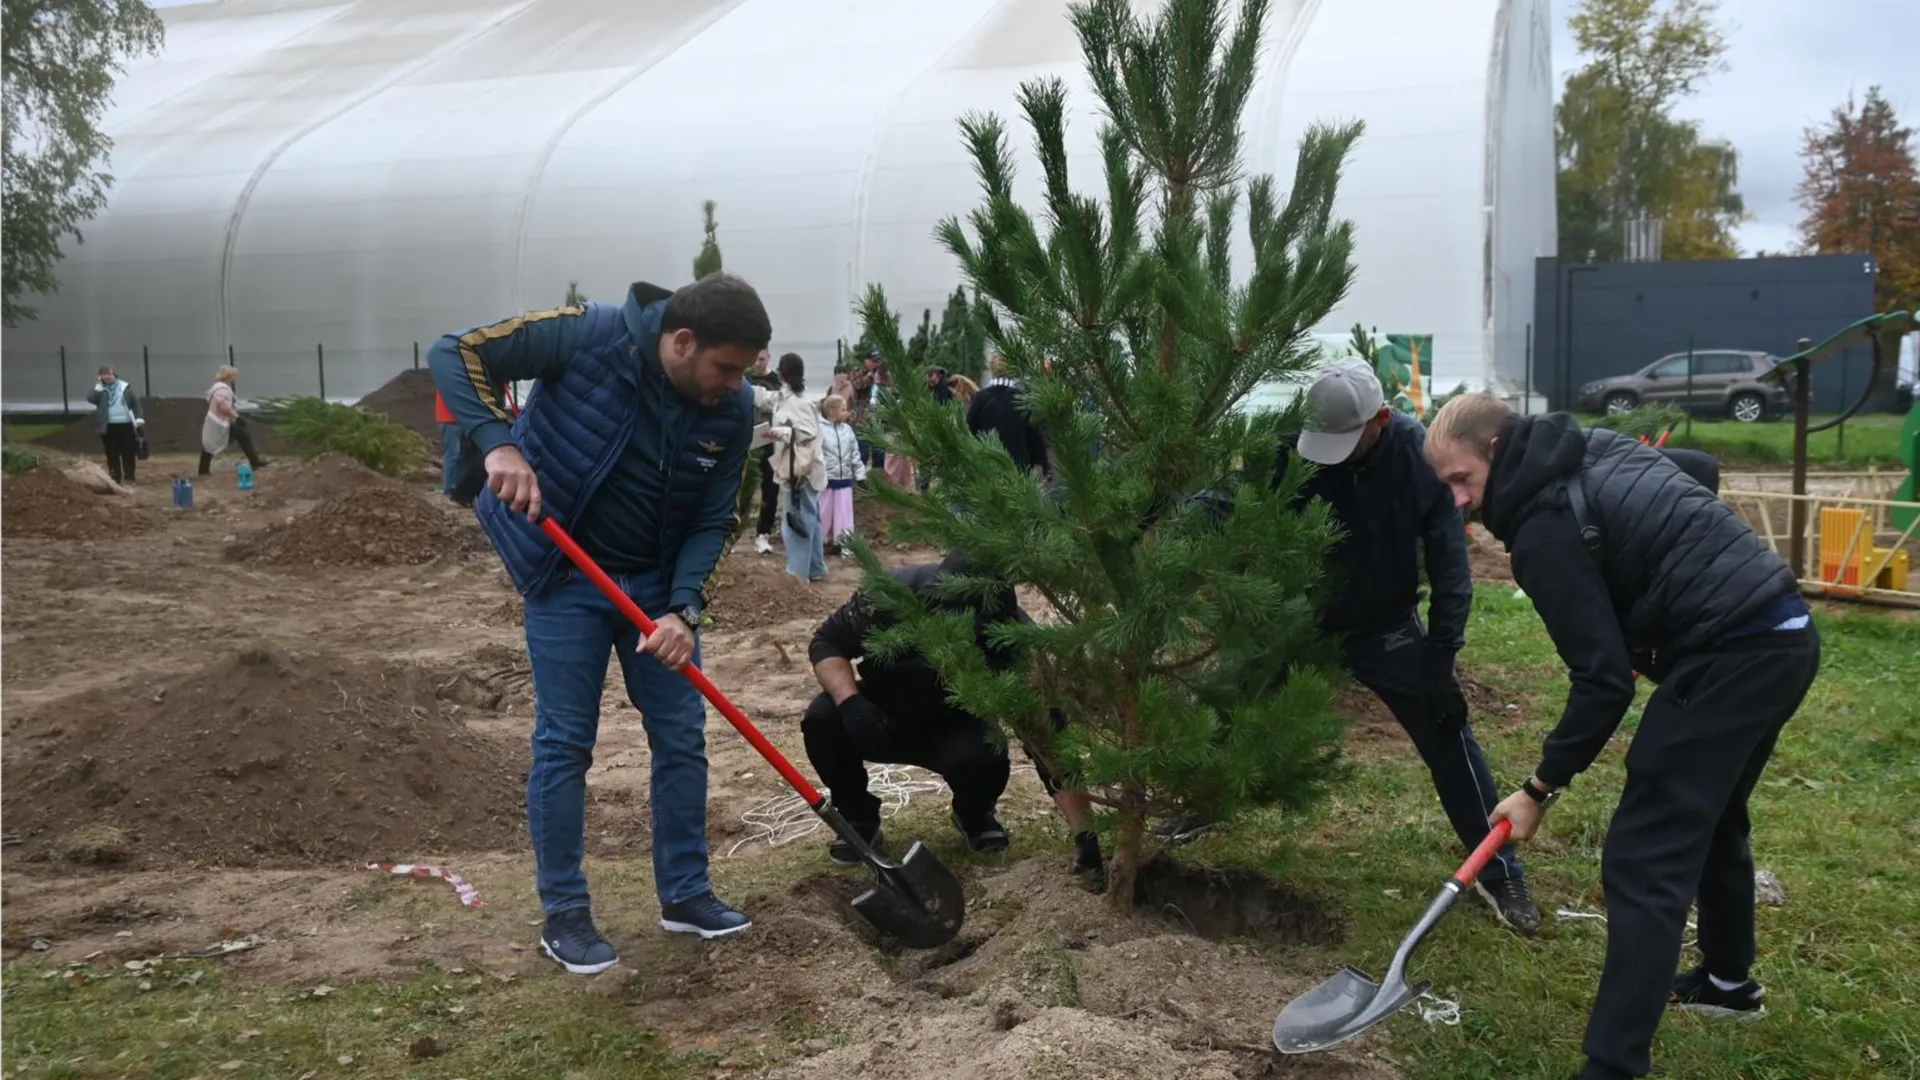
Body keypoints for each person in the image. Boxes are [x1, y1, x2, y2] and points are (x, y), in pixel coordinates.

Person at [1423, 395, 1821, 1080]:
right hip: (1786, 632)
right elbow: (1694, 468)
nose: (1457, 503)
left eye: (1461, 481)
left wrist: (1538, 788)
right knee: (1713, 814)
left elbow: (1603, 679)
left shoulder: (1542, 532)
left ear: (1494, 449)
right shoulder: (1588, 445)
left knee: (1644, 856)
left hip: (1731, 653)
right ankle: (1729, 984)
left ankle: (1612, 1066)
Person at [427, 275, 770, 976]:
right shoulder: (589, 334)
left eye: (743, 371)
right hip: (566, 573)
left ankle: (685, 893)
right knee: (566, 743)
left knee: (681, 737)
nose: (735, 385)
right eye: (725, 367)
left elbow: (713, 519)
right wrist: (497, 443)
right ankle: (566, 914)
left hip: (655, 588)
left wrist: (684, 609)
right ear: (681, 342)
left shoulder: (731, 413)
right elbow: (455, 351)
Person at [1264, 358, 1540, 934]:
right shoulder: (1290, 443)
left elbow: (1448, 562)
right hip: (1298, 619)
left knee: (1447, 736)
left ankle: (1498, 871)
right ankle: (1193, 805)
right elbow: (1247, 518)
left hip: (1383, 623)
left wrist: (1441, 659)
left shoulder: (1419, 456)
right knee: (1231, 702)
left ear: (1381, 420)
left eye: (1347, 438)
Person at [802, 551, 1103, 879]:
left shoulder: (1015, 642)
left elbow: (1049, 738)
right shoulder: (889, 599)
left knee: (987, 754)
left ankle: (973, 816)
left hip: (956, 724)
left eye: (973, 630)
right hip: (883, 711)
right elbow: (827, 642)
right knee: (822, 720)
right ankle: (858, 818)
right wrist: (851, 704)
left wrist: (1085, 836)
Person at [759, 353, 827, 582]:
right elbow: (766, 398)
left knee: (797, 519)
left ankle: (797, 573)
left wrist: (777, 432)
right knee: (810, 517)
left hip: (802, 471)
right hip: (803, 470)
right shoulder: (786, 397)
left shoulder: (800, 403)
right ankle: (815, 567)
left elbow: (806, 434)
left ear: (782, 373)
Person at [965, 354, 1051, 480]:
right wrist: (1044, 464)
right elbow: (1033, 434)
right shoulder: (1021, 398)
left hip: (988, 465)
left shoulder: (980, 398)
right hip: (1018, 467)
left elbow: (970, 430)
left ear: (992, 370)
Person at [744, 350, 784, 555]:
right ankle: (733, 531)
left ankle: (763, 534)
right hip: (744, 443)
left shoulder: (776, 380)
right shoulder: (743, 377)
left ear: (768, 356)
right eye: (754, 359)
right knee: (741, 488)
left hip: (769, 443)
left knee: (770, 488)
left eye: (761, 359)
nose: (757, 363)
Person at [817, 393, 866, 558]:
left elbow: (855, 454)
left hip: (844, 480)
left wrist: (860, 475)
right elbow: (816, 454)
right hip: (825, 481)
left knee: (845, 515)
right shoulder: (819, 429)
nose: (847, 413)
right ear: (831, 411)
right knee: (822, 513)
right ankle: (819, 544)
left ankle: (845, 546)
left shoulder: (848, 431)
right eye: (843, 409)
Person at [199, 366, 268, 477]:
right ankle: (255, 462)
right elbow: (223, 406)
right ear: (229, 377)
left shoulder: (217, 387)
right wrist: (235, 416)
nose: (235, 378)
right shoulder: (222, 389)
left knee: (213, 443)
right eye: (234, 376)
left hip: (217, 421)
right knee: (241, 438)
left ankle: (203, 470)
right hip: (220, 422)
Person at [87, 367, 144, 485]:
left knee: (128, 452)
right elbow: (91, 399)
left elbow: (136, 404)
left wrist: (139, 419)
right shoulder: (100, 389)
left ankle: (129, 477)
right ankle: (115, 477)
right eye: (103, 374)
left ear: (115, 375)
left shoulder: (125, 388)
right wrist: (99, 388)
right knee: (111, 452)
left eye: (109, 374)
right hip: (108, 426)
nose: (107, 376)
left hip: (126, 425)